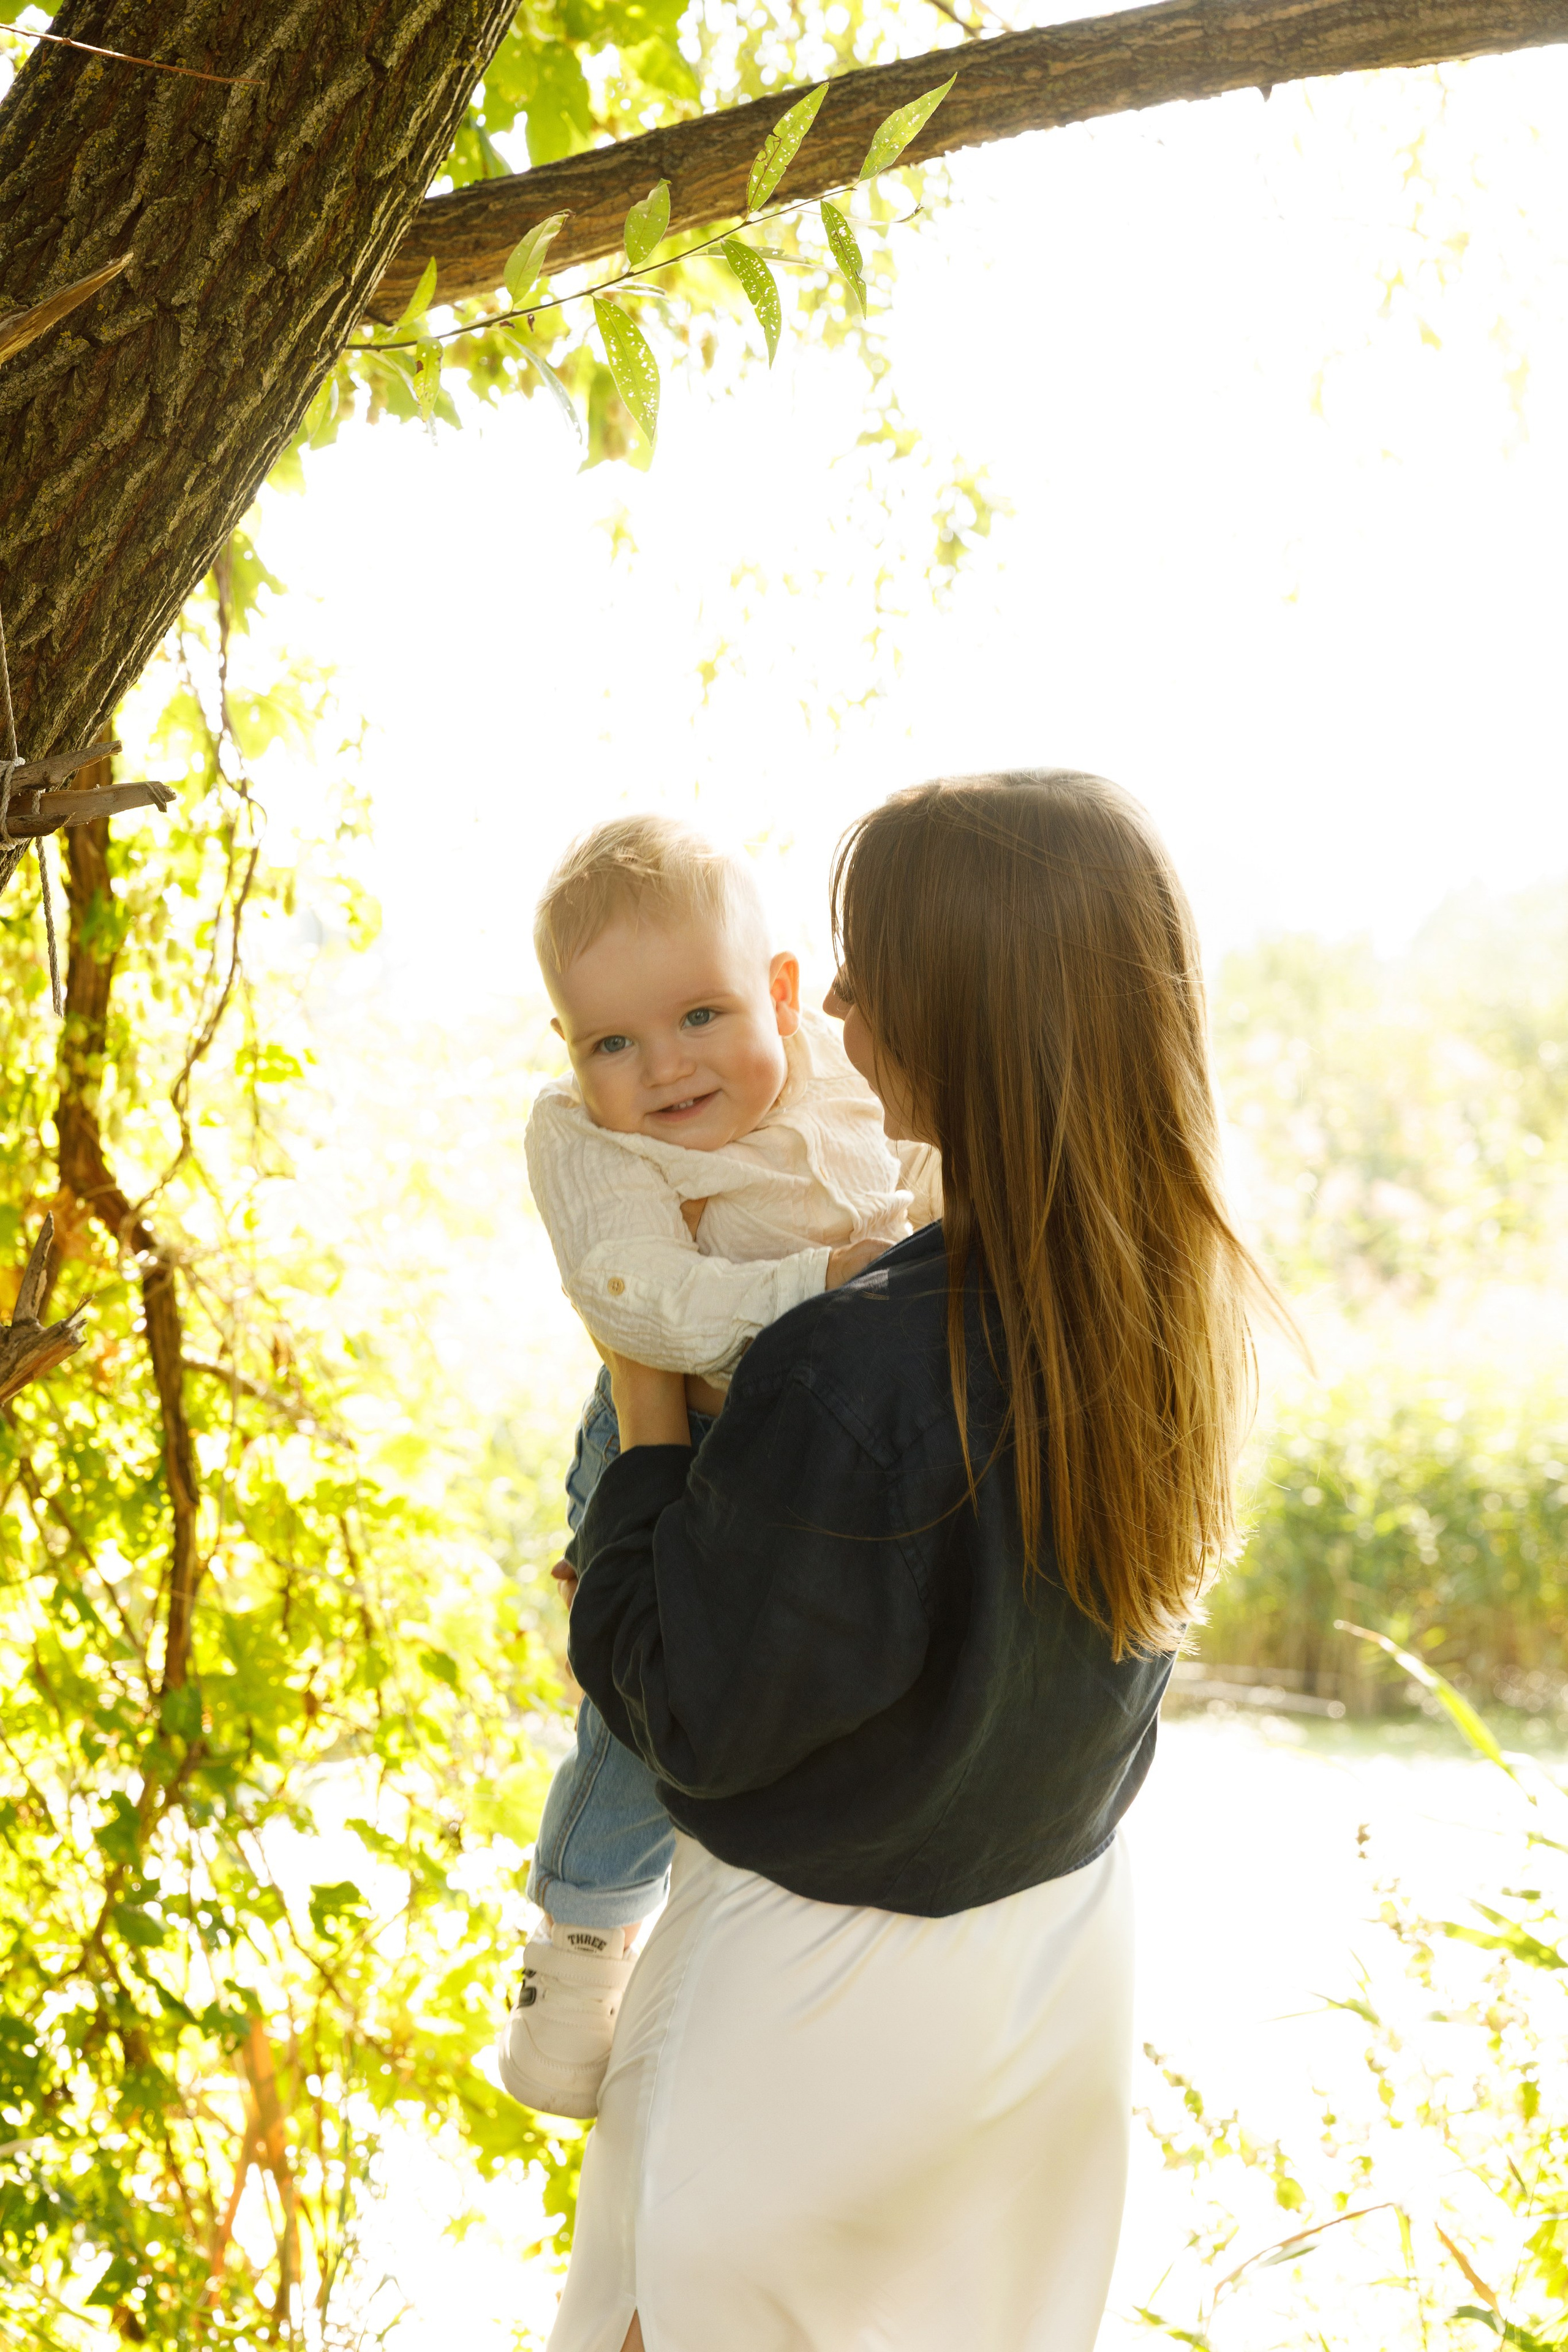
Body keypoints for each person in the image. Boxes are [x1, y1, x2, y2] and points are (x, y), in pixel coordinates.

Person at [544, 770, 1278, 2352]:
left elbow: (691, 1706)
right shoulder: (1170, 1317)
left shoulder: (855, 1368)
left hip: (816, 2006)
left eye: (872, 968)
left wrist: (643, 1414)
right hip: (1051, 1979)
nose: (845, 1008)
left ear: (966, 1016)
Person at [500, 815, 940, 2118]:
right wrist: (825, 1284)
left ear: (785, 995)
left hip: (831, 1443)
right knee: (643, 1701)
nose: (663, 1068)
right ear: (568, 1053)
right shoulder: (584, 1140)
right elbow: (635, 1297)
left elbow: (930, 1184)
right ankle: (579, 1945)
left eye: (699, 1015)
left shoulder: (848, 1077)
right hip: (674, 1434)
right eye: (610, 1042)